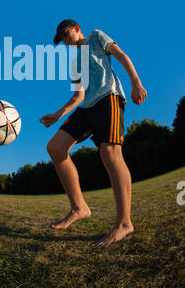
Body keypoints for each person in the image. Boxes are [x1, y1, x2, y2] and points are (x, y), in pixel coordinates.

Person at [39, 19, 147, 247]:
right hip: (86, 107)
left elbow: (121, 56)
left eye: (66, 34)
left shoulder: (97, 37)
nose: (65, 41)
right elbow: (78, 96)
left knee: (110, 153)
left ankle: (124, 223)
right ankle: (79, 208)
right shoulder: (75, 63)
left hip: (109, 98)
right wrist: (58, 114)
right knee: (55, 148)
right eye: (62, 40)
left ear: (77, 28)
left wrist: (135, 82)